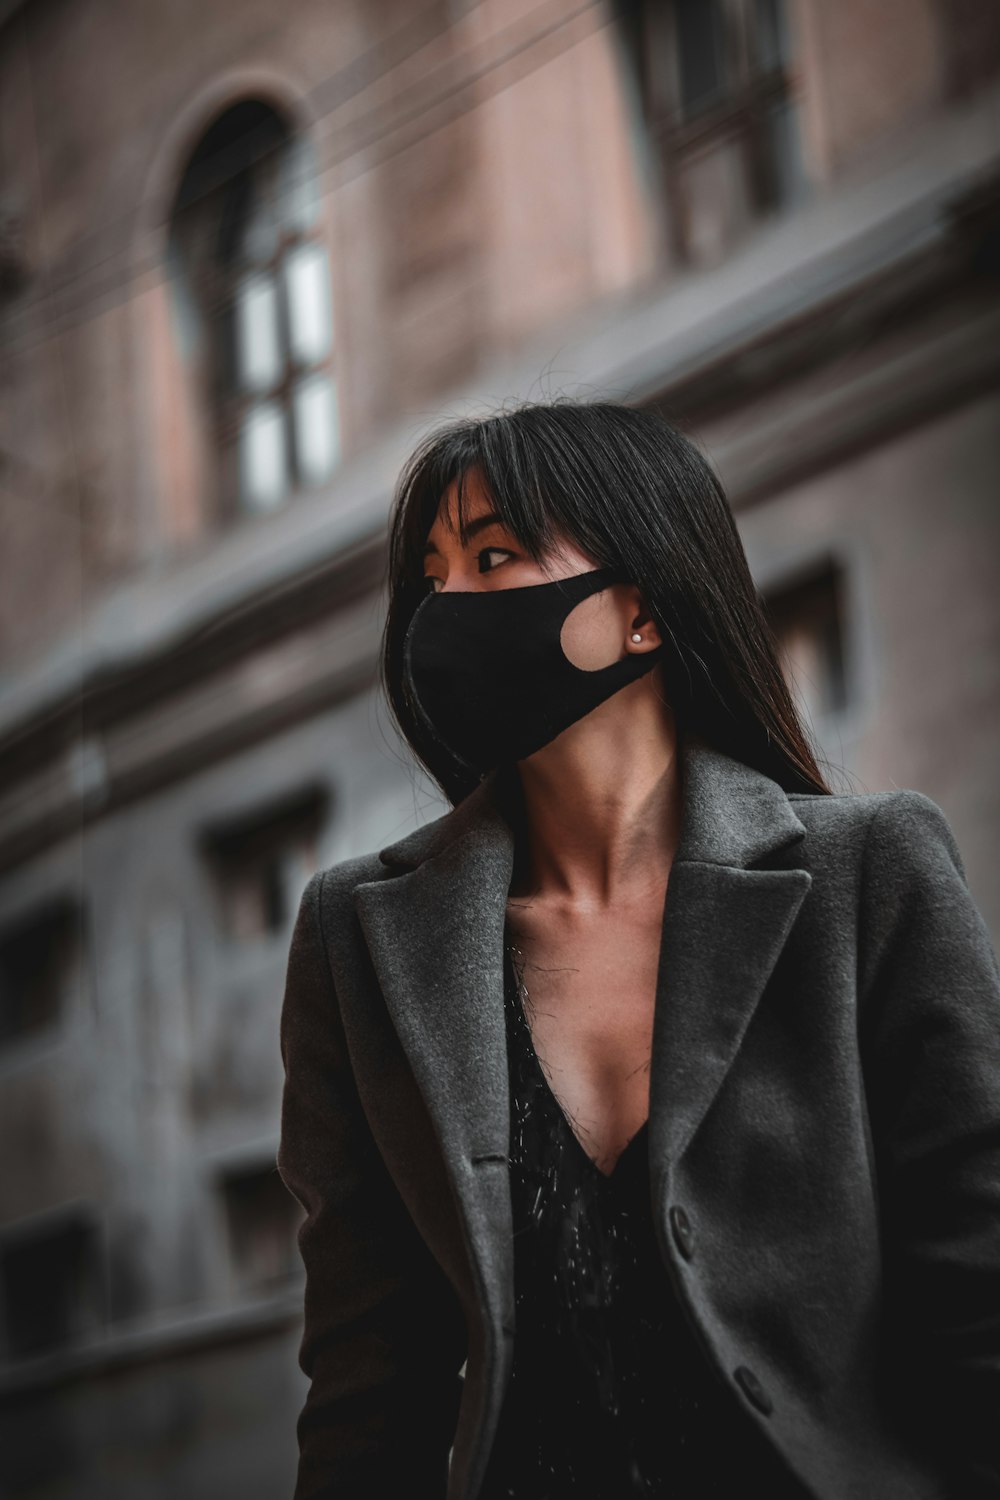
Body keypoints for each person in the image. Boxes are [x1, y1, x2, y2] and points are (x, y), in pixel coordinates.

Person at [276, 399, 1000, 1499]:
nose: (442, 607)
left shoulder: (870, 874)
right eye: (431, 572)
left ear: (642, 612)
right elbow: (366, 1384)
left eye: (494, 556)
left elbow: (978, 1289)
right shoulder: (358, 938)